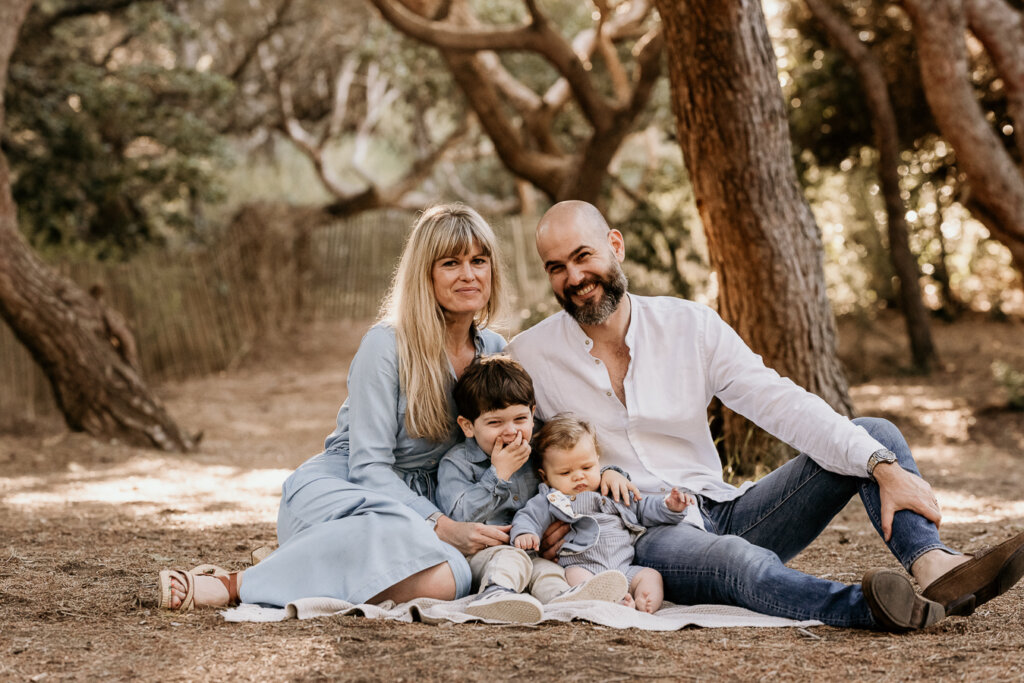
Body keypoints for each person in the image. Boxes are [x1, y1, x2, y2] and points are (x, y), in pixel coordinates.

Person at [506, 200, 1024, 631]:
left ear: (615, 246)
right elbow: (510, 447)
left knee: (872, 436)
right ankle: (873, 607)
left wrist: (882, 468)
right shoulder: (531, 355)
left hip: (727, 508)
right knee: (741, 563)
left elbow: (777, 400)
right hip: (645, 533)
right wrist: (555, 515)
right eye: (557, 267)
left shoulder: (690, 325)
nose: (574, 278)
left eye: (583, 256)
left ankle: (934, 567)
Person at [159, 203, 515, 610]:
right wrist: (442, 525)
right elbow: (368, 468)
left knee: (452, 577)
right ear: (426, 274)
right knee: (422, 550)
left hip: (428, 503)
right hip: (349, 488)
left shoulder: (496, 352)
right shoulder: (387, 345)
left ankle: (306, 563)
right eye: (451, 263)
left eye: (479, 261)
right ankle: (234, 584)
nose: (469, 274)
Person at [436, 356, 630, 623]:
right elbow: (458, 515)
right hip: (483, 553)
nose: (511, 431)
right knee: (509, 561)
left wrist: (611, 473)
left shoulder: (536, 447)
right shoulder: (457, 463)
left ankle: (564, 600)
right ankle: (494, 595)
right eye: (495, 423)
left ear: (532, 413)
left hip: (534, 552)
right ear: (468, 426)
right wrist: (498, 475)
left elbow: (574, 464)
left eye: (520, 418)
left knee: (548, 572)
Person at [510, 414, 697, 613]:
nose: (579, 476)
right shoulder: (552, 498)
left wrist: (669, 506)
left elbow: (643, 507)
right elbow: (529, 516)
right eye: (565, 473)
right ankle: (610, 602)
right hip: (583, 568)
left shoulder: (610, 489)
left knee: (651, 576)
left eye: (587, 467)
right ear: (545, 476)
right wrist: (525, 533)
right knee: (573, 577)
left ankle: (646, 603)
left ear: (598, 461)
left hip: (623, 568)